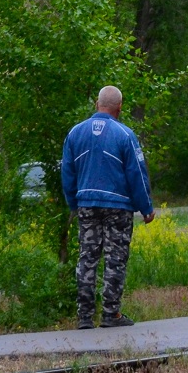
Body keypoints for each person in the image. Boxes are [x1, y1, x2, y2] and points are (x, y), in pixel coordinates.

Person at [61, 86, 154, 329]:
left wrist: (74, 202)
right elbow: (137, 175)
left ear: (96, 103)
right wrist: (146, 208)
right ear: (119, 108)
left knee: (87, 257)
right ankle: (111, 314)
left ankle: (84, 317)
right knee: (115, 259)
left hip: (87, 204)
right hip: (118, 207)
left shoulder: (74, 134)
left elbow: (67, 173)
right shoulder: (124, 135)